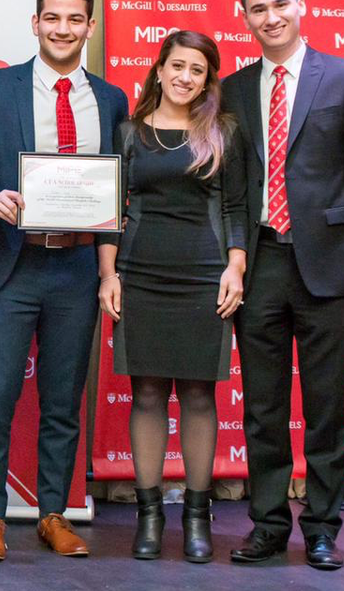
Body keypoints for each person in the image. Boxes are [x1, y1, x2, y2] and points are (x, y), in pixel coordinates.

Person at [222, 0, 344, 571]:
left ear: (301, 4)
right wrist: (234, 259)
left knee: (327, 406)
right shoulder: (235, 89)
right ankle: (268, 525)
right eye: (257, 10)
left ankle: (321, 527)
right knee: (262, 407)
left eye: (279, 5)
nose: (270, 18)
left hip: (331, 267)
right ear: (244, 18)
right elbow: (235, 191)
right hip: (262, 262)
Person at [0, 0, 128, 562]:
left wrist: (109, 273)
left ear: (89, 25)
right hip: (11, 267)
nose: (62, 28)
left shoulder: (111, 100)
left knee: (62, 401)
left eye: (74, 18)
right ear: (36, 23)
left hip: (77, 269)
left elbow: (115, 199)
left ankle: (54, 513)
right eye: (51, 17)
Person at [96, 30, 246, 563]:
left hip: (204, 275)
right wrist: (108, 275)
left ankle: (198, 518)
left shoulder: (222, 131)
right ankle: (151, 516)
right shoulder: (130, 133)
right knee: (148, 395)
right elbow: (110, 212)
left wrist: (235, 266)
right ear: (159, 69)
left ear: (208, 80)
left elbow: (234, 209)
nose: (185, 77)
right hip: (140, 274)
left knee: (201, 396)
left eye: (197, 70)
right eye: (177, 66)